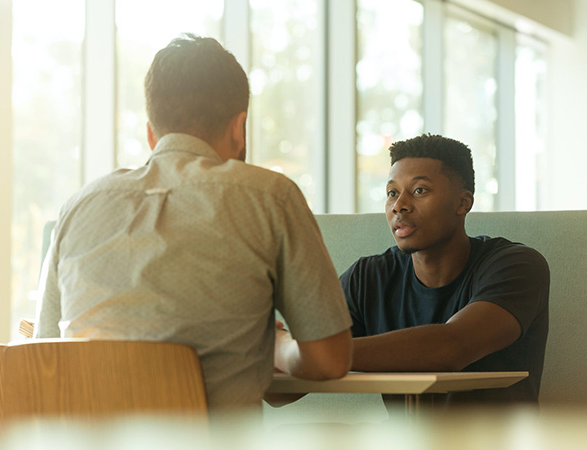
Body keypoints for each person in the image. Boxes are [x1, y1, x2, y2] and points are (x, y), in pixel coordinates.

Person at [34, 34, 352, 413]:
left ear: (152, 133)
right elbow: (329, 360)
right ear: (240, 128)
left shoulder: (77, 207)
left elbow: (43, 356)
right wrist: (279, 346)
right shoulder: (270, 196)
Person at [340, 134, 549, 410]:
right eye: (392, 193)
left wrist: (316, 353)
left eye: (419, 191)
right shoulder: (367, 278)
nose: (399, 205)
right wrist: (281, 347)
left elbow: (450, 348)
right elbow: (282, 390)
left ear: (463, 203)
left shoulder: (517, 266)